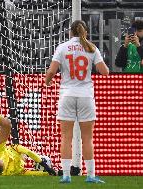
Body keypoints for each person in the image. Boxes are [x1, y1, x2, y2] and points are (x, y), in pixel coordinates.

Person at [45, 20, 109, 183]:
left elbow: (52, 70)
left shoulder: (62, 47)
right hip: (85, 95)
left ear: (70, 33)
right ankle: (91, 175)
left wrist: (48, 81)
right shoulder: (91, 48)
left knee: (66, 137)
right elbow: (105, 72)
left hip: (67, 94)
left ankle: (66, 175)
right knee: (87, 138)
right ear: (85, 32)